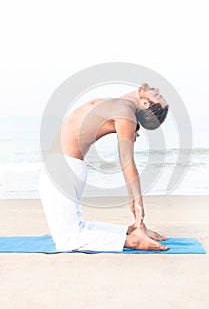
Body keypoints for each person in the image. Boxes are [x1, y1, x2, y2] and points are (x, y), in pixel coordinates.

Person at [39, 83, 169, 252]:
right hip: (63, 167)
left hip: (62, 168)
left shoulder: (125, 113)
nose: (157, 90)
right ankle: (130, 232)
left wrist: (137, 201)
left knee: (68, 240)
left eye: (157, 97)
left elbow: (126, 159)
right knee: (76, 228)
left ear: (145, 103)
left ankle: (131, 241)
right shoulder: (122, 105)